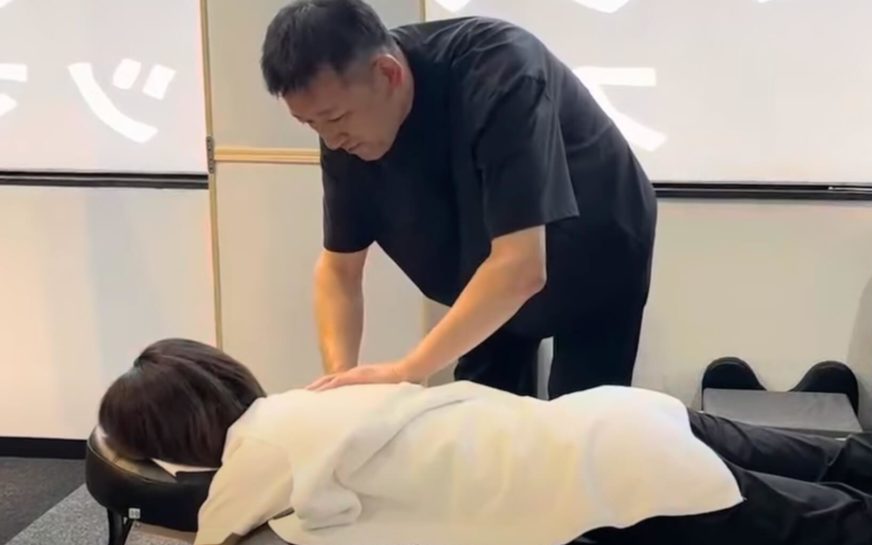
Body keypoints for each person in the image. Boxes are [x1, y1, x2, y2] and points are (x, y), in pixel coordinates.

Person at [101, 338, 872, 545]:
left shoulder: (255, 454)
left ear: (179, 446)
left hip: (622, 480)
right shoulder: (315, 398)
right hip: (623, 419)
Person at [258, 0, 658, 398]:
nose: (330, 140)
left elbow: (521, 267)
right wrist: (339, 383)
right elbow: (339, 270)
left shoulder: (500, 70)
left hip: (594, 245)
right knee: (476, 408)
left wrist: (405, 371)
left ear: (388, 73)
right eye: (310, 123)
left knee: (585, 414)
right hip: (488, 263)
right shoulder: (345, 128)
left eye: (335, 119)